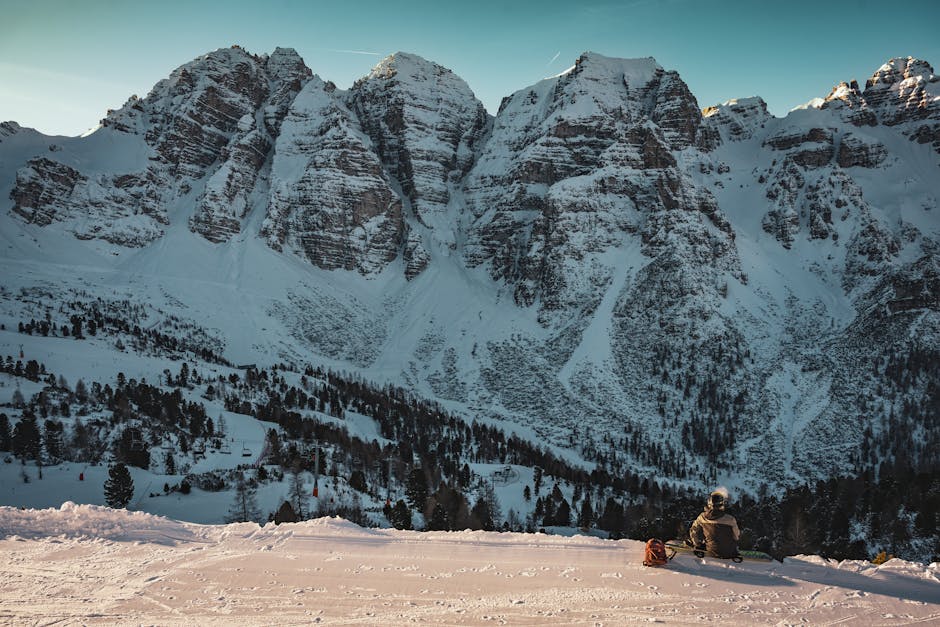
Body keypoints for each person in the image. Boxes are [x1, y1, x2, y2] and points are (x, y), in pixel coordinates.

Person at [688, 488, 740, 558]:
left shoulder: (702, 517)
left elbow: (694, 531)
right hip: (729, 552)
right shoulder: (730, 519)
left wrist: (697, 544)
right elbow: (736, 536)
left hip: (711, 551)